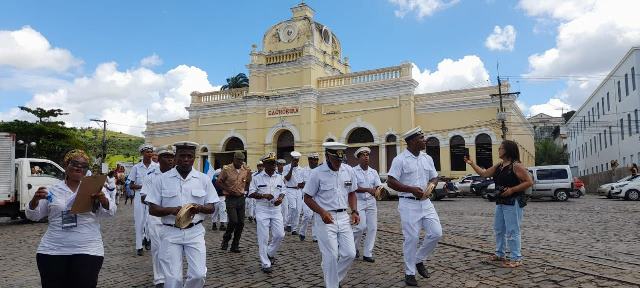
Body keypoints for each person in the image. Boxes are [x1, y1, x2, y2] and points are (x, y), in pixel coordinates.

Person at [26, 149, 116, 288]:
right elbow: (33, 216)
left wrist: (103, 200)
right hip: (52, 250)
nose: (79, 167)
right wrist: (35, 200)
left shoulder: (96, 188)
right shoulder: (52, 190)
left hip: (88, 250)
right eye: (74, 163)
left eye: (84, 166)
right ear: (66, 164)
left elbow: (110, 213)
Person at [147, 141, 219, 288]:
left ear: (194, 158)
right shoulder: (161, 179)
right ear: (175, 157)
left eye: (189, 156)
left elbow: (211, 207)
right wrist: (172, 210)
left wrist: (199, 208)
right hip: (170, 232)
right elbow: (152, 209)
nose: (186, 159)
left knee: (198, 274)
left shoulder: (203, 179)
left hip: (195, 232)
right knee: (173, 279)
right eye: (182, 156)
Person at [387, 127, 443, 286]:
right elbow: (391, 181)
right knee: (411, 238)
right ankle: (409, 273)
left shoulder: (427, 158)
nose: (424, 140)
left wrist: (432, 184)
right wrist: (410, 189)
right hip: (408, 204)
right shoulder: (400, 160)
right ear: (411, 141)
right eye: (421, 138)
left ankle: (418, 259)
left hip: (426, 203)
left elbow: (434, 176)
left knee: (436, 233)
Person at [465, 140, 533, 268]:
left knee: (513, 230)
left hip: (513, 202)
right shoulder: (500, 165)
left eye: (501, 148)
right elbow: (484, 174)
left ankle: (516, 258)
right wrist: (471, 163)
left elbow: (529, 182)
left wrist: (512, 190)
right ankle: (500, 254)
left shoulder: (516, 165)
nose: (499, 150)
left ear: (507, 150)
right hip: (501, 201)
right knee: (498, 229)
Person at [304, 142, 359, 288]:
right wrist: (322, 212)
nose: (338, 163)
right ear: (328, 156)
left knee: (350, 254)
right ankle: (332, 284)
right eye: (336, 160)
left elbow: (352, 192)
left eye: (340, 160)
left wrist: (354, 211)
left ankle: (334, 278)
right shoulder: (317, 173)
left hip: (343, 217)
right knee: (331, 255)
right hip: (325, 219)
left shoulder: (348, 170)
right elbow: (307, 198)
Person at [140, 145, 175, 288]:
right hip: (155, 218)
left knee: (172, 248)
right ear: (159, 159)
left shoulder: (177, 175)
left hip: (173, 218)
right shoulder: (151, 175)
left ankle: (172, 275)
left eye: (172, 157)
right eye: (166, 157)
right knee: (157, 248)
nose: (170, 160)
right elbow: (143, 197)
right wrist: (160, 202)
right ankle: (159, 278)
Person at [248, 152, 286, 273]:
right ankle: (265, 263)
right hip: (262, 209)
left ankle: (269, 253)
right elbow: (251, 193)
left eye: (273, 163)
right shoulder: (257, 177)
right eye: (269, 163)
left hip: (275, 209)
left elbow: (283, 190)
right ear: (264, 164)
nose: (273, 166)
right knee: (263, 237)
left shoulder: (279, 176)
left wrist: (280, 198)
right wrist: (264, 195)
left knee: (280, 234)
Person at [351, 147, 382, 263]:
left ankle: (367, 253)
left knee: (372, 228)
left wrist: (379, 190)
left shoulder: (373, 172)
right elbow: (353, 188)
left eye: (367, 155)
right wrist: (368, 189)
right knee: (360, 227)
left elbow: (378, 185)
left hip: (371, 202)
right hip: (358, 201)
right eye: (363, 155)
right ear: (358, 158)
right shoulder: (353, 171)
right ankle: (352, 248)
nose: (366, 157)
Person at [127, 144, 159, 256]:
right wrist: (143, 186)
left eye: (151, 152)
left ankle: (148, 239)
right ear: (142, 153)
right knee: (139, 221)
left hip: (152, 197)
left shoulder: (156, 167)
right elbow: (130, 185)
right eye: (147, 152)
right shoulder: (136, 167)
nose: (149, 154)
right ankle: (139, 246)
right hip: (139, 197)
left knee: (150, 221)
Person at [217, 151, 251, 252]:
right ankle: (226, 239)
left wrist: (245, 190)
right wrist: (228, 190)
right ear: (234, 159)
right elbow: (219, 182)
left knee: (241, 223)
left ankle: (235, 245)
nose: (241, 162)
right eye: (239, 160)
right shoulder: (227, 169)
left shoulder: (245, 170)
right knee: (233, 221)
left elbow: (248, 181)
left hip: (241, 198)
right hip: (230, 198)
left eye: (242, 160)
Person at [297, 152, 320, 242]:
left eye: (316, 160)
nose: (315, 162)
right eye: (313, 160)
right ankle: (302, 232)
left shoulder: (320, 171)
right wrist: (309, 185)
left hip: (318, 197)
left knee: (316, 217)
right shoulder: (303, 171)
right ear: (309, 160)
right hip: (307, 197)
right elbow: (299, 184)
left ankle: (315, 236)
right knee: (307, 215)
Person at [283, 151, 303, 234]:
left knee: (298, 210)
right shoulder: (286, 167)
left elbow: (302, 182)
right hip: (289, 189)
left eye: (297, 160)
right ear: (291, 159)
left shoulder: (301, 169)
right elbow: (287, 178)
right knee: (292, 207)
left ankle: (294, 229)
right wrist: (291, 168)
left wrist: (302, 185)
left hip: (298, 191)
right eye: (294, 160)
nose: (296, 162)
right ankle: (287, 224)